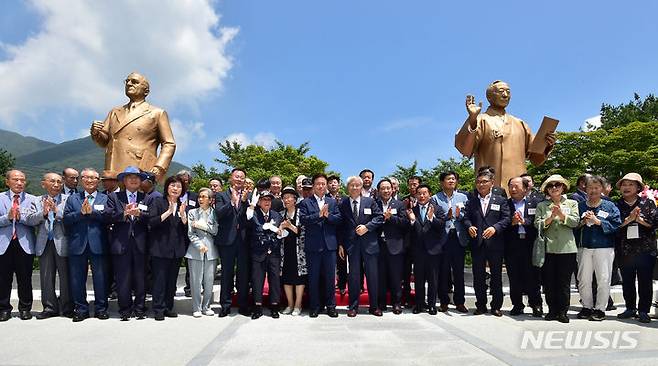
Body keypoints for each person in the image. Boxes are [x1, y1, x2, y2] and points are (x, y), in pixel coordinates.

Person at [455, 80, 555, 193]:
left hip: (518, 190)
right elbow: (464, 148)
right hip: (490, 189)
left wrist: (547, 144)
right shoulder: (481, 119)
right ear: (489, 97)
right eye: (501, 91)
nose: (505, 95)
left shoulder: (520, 123)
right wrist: (472, 119)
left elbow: (535, 157)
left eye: (508, 91)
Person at [90, 72, 176, 181]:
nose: (129, 84)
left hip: (140, 169)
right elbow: (104, 141)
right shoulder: (115, 112)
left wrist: (159, 167)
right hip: (113, 168)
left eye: (134, 82)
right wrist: (96, 133)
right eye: (127, 81)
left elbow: (169, 143)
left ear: (146, 91)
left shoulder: (157, 113)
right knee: (113, 197)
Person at [63, 168, 110, 322]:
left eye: (93, 178)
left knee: (101, 278)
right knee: (77, 279)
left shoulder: (105, 198)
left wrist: (93, 213)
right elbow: (66, 220)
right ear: (82, 180)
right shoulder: (73, 199)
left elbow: (109, 217)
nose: (90, 180)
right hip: (78, 244)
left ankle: (101, 309)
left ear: (98, 181)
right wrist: (80, 213)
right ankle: (81, 309)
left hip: (99, 244)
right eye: (86, 178)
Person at [463, 168, 510, 316]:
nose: (481, 184)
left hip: (495, 244)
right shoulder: (472, 201)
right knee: (478, 276)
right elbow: (465, 217)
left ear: (492, 183)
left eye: (484, 181)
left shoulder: (501, 200)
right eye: (478, 182)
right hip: (477, 244)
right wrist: (469, 226)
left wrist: (495, 228)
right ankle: (481, 305)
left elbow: (506, 219)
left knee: (496, 275)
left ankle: (496, 305)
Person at [105, 166, 150, 321]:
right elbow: (107, 216)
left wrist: (140, 214)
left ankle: (139, 309)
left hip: (140, 244)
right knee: (122, 279)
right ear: (124, 180)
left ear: (141, 180)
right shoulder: (114, 197)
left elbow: (151, 218)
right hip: (121, 244)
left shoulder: (146, 197)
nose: (133, 179)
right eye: (130, 177)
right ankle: (125, 309)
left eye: (137, 177)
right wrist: (124, 214)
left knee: (140, 278)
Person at [575, 176, 621, 321]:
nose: (593, 190)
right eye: (590, 188)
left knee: (603, 278)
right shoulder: (580, 205)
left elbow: (617, 225)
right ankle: (587, 306)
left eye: (596, 187)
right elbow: (573, 225)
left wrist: (598, 222)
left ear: (601, 189)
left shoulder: (609, 206)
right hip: (584, 246)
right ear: (585, 189)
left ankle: (600, 308)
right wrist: (583, 221)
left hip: (604, 247)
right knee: (583, 278)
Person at [534, 174, 579, 323]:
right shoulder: (542, 205)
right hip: (548, 248)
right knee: (549, 281)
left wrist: (561, 215)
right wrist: (551, 217)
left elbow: (575, 222)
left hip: (567, 248)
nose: (554, 188)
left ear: (563, 187)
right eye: (551, 186)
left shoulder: (572, 203)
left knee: (564, 282)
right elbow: (538, 224)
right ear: (547, 189)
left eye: (557, 185)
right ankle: (552, 310)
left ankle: (563, 311)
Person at [29, 173, 73, 319]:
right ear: (44, 184)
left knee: (65, 276)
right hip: (44, 241)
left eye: (59, 182)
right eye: (52, 181)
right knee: (46, 277)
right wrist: (43, 213)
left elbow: (71, 218)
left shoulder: (68, 200)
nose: (56, 184)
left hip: (62, 241)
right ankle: (49, 307)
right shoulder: (36, 200)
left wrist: (56, 211)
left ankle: (67, 307)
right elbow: (30, 219)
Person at [338, 176, 384, 317]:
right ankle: (353, 307)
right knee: (353, 277)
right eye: (352, 185)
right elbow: (340, 226)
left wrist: (367, 227)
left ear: (361, 187)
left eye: (357, 185)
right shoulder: (342, 203)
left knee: (372, 277)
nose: (355, 188)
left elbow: (379, 217)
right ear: (348, 187)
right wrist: (340, 244)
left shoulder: (370, 201)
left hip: (370, 245)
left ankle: (374, 306)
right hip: (352, 246)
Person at [299, 173, 342, 318]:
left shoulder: (332, 201)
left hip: (329, 246)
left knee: (330, 278)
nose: (321, 186)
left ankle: (331, 306)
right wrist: (318, 214)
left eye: (323, 183)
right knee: (313, 278)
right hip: (313, 246)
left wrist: (327, 215)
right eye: (318, 183)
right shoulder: (306, 202)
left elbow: (338, 219)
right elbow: (303, 220)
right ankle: (314, 306)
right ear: (313, 185)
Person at [615, 173, 656, 323]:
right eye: (624, 184)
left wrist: (639, 220)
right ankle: (630, 308)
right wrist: (628, 220)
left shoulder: (648, 203)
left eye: (630, 184)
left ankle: (644, 310)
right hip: (625, 250)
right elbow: (614, 226)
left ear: (638, 187)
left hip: (645, 249)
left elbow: (654, 223)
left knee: (645, 281)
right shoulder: (616, 205)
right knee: (627, 281)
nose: (626, 187)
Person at [0, 170, 39, 321]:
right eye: (16, 180)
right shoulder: (0, 198)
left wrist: (21, 217)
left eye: (22, 180)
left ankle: (25, 308)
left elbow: (35, 220)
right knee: (3, 279)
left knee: (25, 278)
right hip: (4, 243)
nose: (19, 183)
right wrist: (7, 218)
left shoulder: (32, 199)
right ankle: (4, 309)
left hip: (24, 243)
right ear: (7, 181)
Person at [147, 175, 188, 321]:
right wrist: (168, 212)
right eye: (173, 186)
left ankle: (168, 307)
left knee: (172, 281)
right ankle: (158, 308)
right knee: (160, 280)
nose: (175, 189)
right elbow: (151, 222)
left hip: (176, 250)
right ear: (167, 188)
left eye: (178, 186)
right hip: (160, 248)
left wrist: (183, 217)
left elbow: (186, 231)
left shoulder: (184, 206)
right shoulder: (158, 202)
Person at [214, 168, 251, 317]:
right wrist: (232, 202)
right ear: (231, 178)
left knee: (243, 274)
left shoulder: (248, 197)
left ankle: (243, 304)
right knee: (226, 274)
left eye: (242, 177)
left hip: (243, 240)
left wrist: (243, 202)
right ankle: (225, 305)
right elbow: (219, 214)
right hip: (227, 240)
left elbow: (248, 218)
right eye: (237, 176)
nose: (239, 179)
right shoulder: (221, 195)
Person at [505, 177, 543, 317]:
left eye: (516, 186)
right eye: (511, 186)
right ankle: (517, 305)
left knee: (533, 276)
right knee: (514, 276)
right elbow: (502, 221)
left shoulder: (536, 203)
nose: (513, 189)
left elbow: (538, 221)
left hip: (530, 243)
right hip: (512, 244)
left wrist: (524, 221)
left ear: (526, 188)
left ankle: (536, 304)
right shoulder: (505, 204)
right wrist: (512, 222)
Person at [432, 171, 469, 313]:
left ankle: (460, 302)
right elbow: (434, 217)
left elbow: (467, 215)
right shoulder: (435, 198)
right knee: (444, 271)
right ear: (442, 182)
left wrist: (460, 216)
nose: (451, 181)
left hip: (458, 237)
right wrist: (446, 218)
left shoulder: (463, 197)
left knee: (459, 272)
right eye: (448, 179)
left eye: (454, 179)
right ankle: (444, 301)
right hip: (443, 238)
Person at [408, 184, 446, 315]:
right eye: (419, 193)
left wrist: (431, 218)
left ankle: (431, 305)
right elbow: (410, 231)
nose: (422, 196)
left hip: (433, 250)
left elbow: (441, 226)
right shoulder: (412, 210)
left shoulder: (438, 209)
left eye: (424, 193)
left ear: (429, 194)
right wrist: (412, 221)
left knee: (433, 280)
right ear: (416, 195)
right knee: (418, 279)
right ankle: (419, 304)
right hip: (418, 251)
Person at [246, 190, 284, 319]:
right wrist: (251, 205)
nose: (267, 202)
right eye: (264, 199)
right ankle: (257, 307)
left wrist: (279, 232)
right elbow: (249, 220)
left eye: (269, 200)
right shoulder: (254, 214)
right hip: (258, 252)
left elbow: (281, 232)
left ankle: (274, 306)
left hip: (274, 252)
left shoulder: (277, 215)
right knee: (257, 280)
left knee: (275, 280)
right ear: (259, 202)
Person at [376, 178, 409, 314]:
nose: (386, 190)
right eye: (383, 188)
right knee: (380, 276)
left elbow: (405, 223)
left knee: (396, 276)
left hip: (395, 245)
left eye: (388, 188)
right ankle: (381, 303)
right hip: (377, 245)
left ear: (393, 189)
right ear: (378, 191)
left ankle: (396, 303)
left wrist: (391, 218)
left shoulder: (399, 204)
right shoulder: (374, 204)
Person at [186, 188, 219, 318]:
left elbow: (215, 230)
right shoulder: (192, 212)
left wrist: (201, 226)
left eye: (204, 197)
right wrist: (199, 245)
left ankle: (206, 306)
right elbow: (190, 232)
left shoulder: (215, 213)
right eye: (199, 196)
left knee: (209, 280)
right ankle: (196, 307)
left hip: (211, 251)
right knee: (195, 280)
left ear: (210, 200)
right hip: (195, 251)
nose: (200, 199)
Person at [280, 186, 307, 316]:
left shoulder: (302, 213)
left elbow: (303, 233)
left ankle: (298, 304)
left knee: (299, 278)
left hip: (300, 251)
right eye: (284, 198)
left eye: (289, 197)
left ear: (295, 199)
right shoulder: (280, 214)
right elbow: (277, 234)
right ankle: (290, 304)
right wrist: (280, 229)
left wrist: (289, 226)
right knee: (287, 277)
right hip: (285, 250)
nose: (286, 200)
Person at [401, 175, 422, 307]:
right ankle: (407, 297)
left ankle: (420, 299)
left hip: (421, 242)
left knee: (420, 272)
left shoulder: (426, 201)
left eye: (415, 184)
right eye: (410, 184)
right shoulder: (404, 201)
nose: (412, 187)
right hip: (407, 242)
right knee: (406, 272)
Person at [177, 170, 198, 298]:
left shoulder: (195, 196)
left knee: (190, 261)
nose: (185, 183)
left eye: (187, 180)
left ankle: (190, 287)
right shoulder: (172, 196)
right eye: (182, 180)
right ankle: (171, 287)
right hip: (176, 233)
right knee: (174, 262)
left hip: (190, 233)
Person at [326, 175, 346, 294]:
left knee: (342, 260)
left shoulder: (345, 199)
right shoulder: (325, 199)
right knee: (329, 263)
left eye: (335, 182)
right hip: (329, 232)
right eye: (331, 183)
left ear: (339, 185)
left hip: (342, 233)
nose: (333, 184)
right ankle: (329, 285)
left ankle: (342, 284)